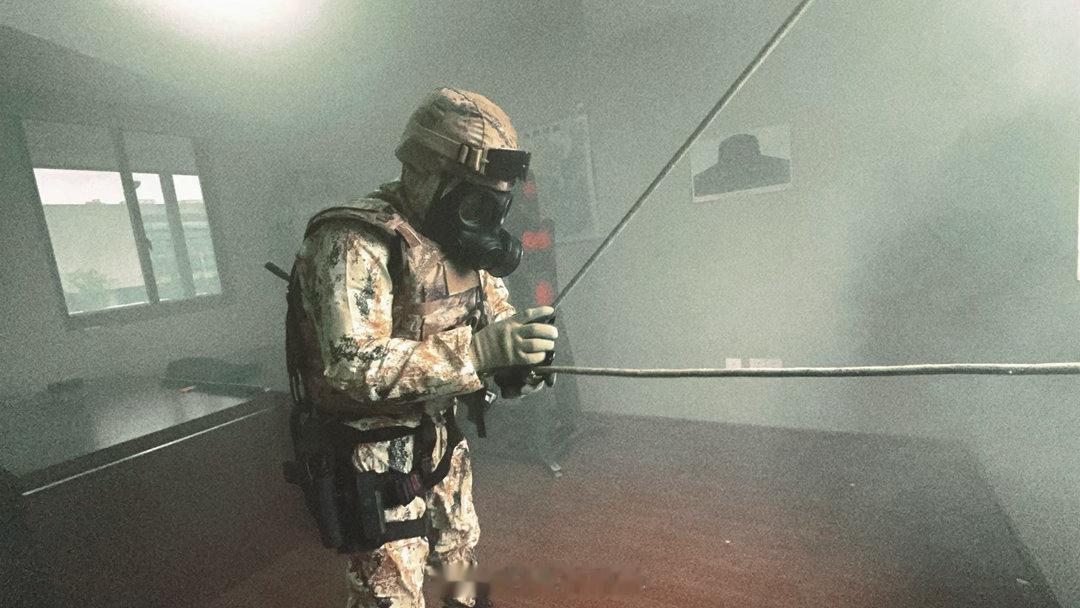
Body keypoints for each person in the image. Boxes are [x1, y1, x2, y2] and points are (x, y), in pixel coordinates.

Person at [288, 87, 557, 608]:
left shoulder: (457, 236)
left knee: (461, 566)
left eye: (494, 203)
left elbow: (494, 320)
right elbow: (352, 365)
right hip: (372, 457)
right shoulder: (352, 240)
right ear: (426, 174)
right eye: (473, 199)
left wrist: (520, 361)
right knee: (392, 593)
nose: (484, 218)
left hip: (440, 440)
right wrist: (479, 354)